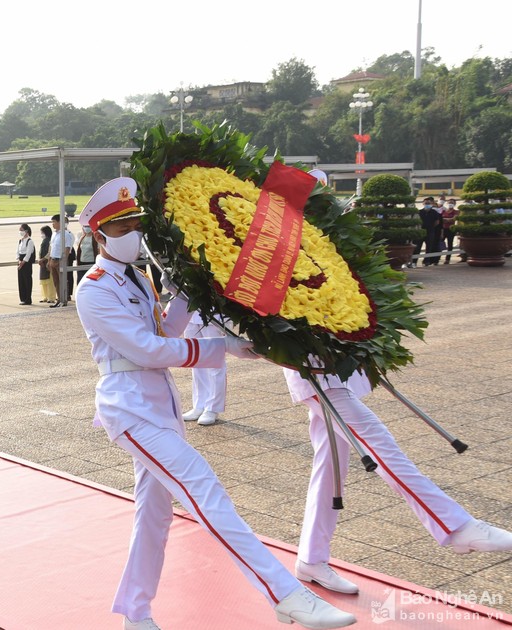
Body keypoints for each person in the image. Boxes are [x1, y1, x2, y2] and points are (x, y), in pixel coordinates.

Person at [73, 178, 354, 630]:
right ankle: (284, 593)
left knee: (154, 515)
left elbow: (165, 329)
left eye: (134, 224)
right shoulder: (94, 289)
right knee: (204, 488)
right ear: (98, 235)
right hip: (128, 409)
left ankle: (135, 613)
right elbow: (147, 350)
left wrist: (190, 291)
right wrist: (221, 345)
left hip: (157, 407)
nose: (133, 233)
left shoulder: (137, 279)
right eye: (121, 227)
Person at [283, 368, 512, 595]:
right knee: (378, 443)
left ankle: (311, 558)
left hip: (330, 366)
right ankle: (457, 527)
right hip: (311, 369)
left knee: (330, 464)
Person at [181, 313, 227, 426]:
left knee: (215, 362)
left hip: (212, 314)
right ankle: (199, 404)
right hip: (189, 314)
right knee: (196, 360)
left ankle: (213, 408)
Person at [49, 214, 75, 307]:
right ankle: (59, 299)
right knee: (56, 282)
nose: (52, 224)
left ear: (60, 222)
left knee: (62, 281)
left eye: (54, 222)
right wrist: (49, 260)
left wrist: (63, 261)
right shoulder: (54, 234)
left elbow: (67, 248)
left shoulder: (66, 234)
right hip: (53, 260)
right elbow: (51, 247)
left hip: (60, 260)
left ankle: (64, 299)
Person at [15, 223, 35, 305]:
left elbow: (28, 253)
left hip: (26, 263)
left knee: (27, 280)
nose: (20, 232)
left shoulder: (30, 241)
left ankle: (28, 299)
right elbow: (17, 251)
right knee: (21, 281)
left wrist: (23, 262)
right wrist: (18, 260)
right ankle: (22, 298)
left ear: (26, 231)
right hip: (20, 261)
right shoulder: (20, 241)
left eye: (21, 230)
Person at [38, 225, 56, 304]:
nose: (41, 234)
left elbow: (50, 252)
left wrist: (43, 259)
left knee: (49, 280)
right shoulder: (44, 241)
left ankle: (51, 297)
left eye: (42, 232)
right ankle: (45, 296)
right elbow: (40, 251)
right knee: (43, 280)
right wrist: (39, 259)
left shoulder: (50, 241)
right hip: (42, 262)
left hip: (47, 261)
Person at [441, 198, 460, 264]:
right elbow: (440, 219)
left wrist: (445, 219)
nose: (450, 204)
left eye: (452, 203)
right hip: (443, 229)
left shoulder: (456, 212)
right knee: (440, 242)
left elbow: (453, 219)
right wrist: (446, 219)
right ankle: (437, 257)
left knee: (450, 244)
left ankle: (447, 259)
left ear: (454, 204)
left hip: (451, 229)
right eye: (449, 202)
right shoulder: (444, 211)